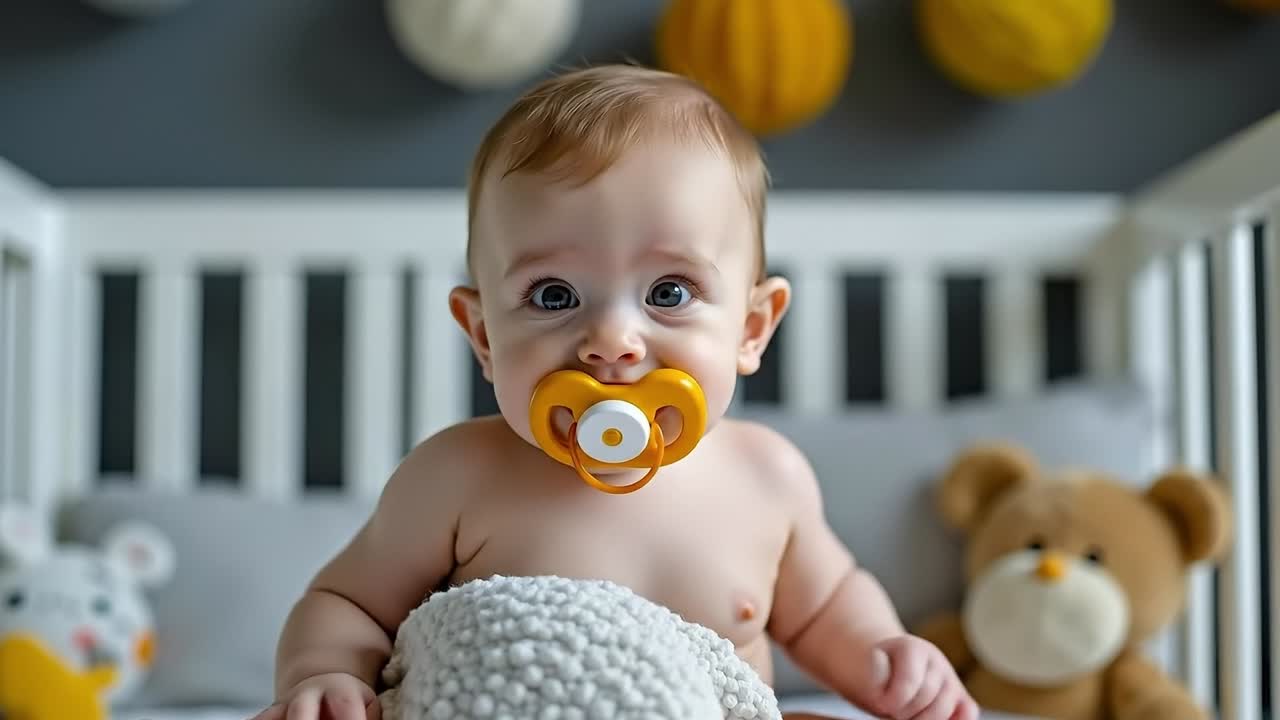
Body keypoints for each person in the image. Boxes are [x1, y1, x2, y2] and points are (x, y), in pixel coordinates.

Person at [251, 64, 978, 720]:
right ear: (482, 335)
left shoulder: (766, 477)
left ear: (751, 328)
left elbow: (825, 609)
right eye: (554, 294)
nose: (611, 338)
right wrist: (324, 677)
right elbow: (345, 603)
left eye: (669, 291)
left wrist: (886, 656)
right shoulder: (455, 476)